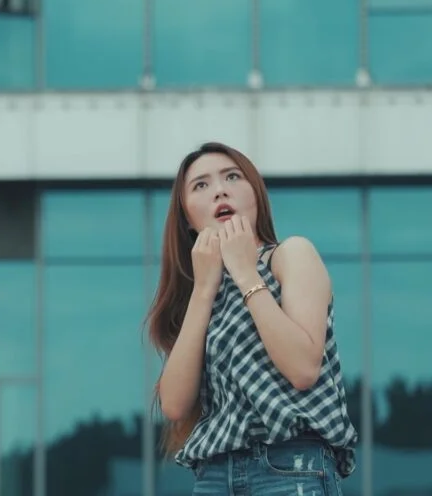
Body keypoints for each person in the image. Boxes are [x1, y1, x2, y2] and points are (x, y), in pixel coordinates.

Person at [145, 142, 358, 495]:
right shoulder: (204, 292)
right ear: (187, 218)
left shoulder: (290, 256)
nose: (220, 190)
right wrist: (203, 289)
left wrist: (246, 272)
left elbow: (303, 368)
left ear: (256, 195)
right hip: (214, 476)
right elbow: (174, 404)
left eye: (232, 177)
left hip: (289, 467)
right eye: (201, 185)